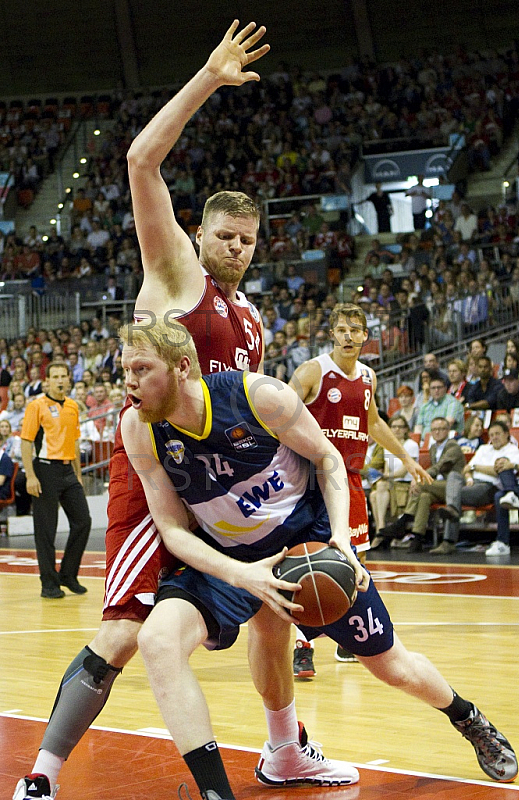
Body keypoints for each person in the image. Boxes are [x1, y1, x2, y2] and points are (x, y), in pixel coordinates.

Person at [13, 22, 339, 800]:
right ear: (198, 234)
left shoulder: (252, 319)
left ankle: (284, 751)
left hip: (217, 483)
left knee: (276, 603)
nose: (235, 248)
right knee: (125, 632)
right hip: (153, 469)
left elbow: (254, 416)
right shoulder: (176, 275)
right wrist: (208, 77)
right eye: (224, 235)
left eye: (247, 240)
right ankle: (42, 775)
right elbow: (139, 160)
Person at [120, 317, 517, 795]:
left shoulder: (259, 396)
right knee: (162, 640)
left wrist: (344, 543)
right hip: (233, 557)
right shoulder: (139, 428)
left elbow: (329, 460)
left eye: (140, 369)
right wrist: (242, 575)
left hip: (307, 540)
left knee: (391, 666)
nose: (129, 382)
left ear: (182, 367)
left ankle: (466, 716)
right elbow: (171, 529)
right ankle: (235, 780)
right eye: (125, 370)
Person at [288, 303, 429, 671]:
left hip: (350, 479)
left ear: (366, 336)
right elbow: (278, 411)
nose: (349, 335)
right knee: (312, 559)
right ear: (332, 334)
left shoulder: (368, 376)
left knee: (356, 560)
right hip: (312, 479)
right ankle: (303, 645)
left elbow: (374, 422)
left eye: (356, 329)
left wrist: (407, 458)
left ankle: (344, 639)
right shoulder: (312, 371)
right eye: (342, 329)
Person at [19, 362, 91, 598]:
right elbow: (27, 442)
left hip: (68, 471)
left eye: (63, 376)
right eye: (55, 377)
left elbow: (76, 441)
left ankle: (68, 575)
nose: (60, 380)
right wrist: (30, 475)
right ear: (47, 381)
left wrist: (78, 475)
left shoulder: (72, 406)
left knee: (83, 521)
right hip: (45, 470)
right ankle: (48, 584)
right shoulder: (36, 406)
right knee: (46, 530)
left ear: (69, 379)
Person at [378, 418, 466, 555]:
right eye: (434, 429)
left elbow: (438, 467)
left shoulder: (453, 446)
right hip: (438, 487)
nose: (437, 432)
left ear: (448, 431)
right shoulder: (433, 448)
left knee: (420, 485)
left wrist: (419, 479)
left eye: (441, 429)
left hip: (453, 488)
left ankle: (404, 521)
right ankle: (418, 538)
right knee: (424, 497)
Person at [369, 415, 420, 549]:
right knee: (374, 493)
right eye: (394, 427)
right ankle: (381, 529)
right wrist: (383, 476)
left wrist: (384, 476)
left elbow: (404, 471)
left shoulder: (411, 445)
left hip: (406, 482)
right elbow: (387, 469)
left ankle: (380, 533)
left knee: (377, 492)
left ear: (406, 429)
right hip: (392, 483)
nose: (397, 429)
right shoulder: (387, 446)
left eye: (400, 426)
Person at [488, 420, 519, 555]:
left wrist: (514, 466)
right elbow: (510, 464)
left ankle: (511, 493)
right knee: (499, 495)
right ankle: (503, 543)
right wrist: (501, 464)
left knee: (509, 467)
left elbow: (518, 466)